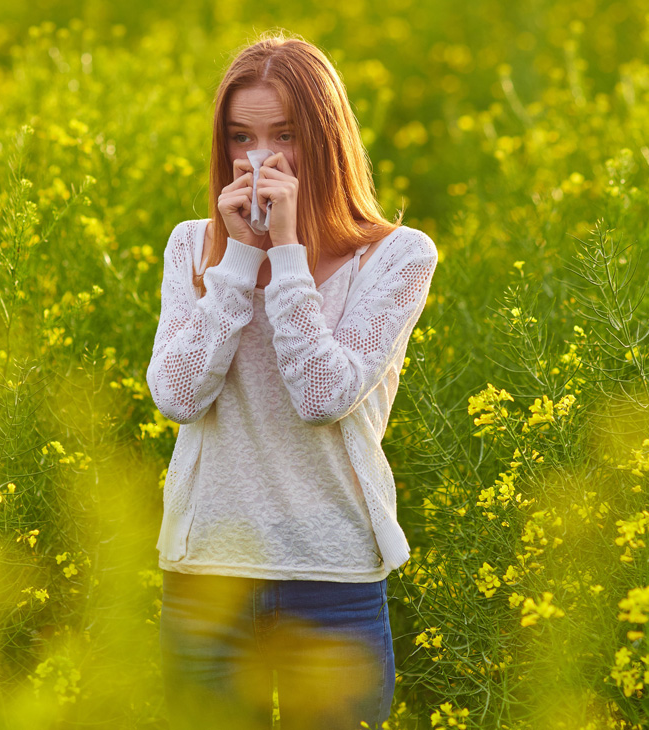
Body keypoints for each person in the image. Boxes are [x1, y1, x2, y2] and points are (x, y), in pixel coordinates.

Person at [145, 30, 439, 730]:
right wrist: (240, 261)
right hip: (205, 578)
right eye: (242, 137)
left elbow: (321, 396)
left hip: (333, 581)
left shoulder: (396, 257)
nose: (260, 159)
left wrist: (288, 250)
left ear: (326, 139)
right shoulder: (194, 245)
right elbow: (178, 395)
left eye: (285, 134)